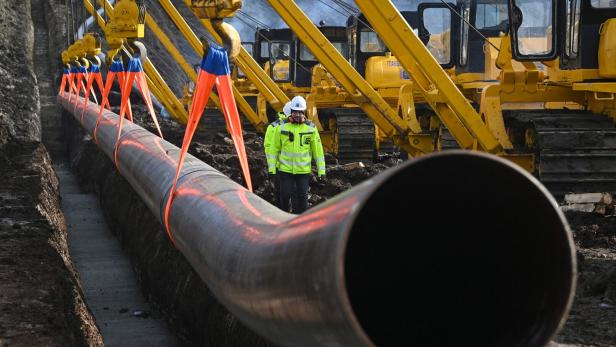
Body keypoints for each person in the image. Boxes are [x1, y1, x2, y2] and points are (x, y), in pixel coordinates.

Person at [266, 96, 326, 214]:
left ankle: (301, 219)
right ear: (291, 112)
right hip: (285, 170)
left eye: (300, 112)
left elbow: (318, 152)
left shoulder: (311, 128)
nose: (297, 115)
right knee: (285, 195)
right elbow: (273, 149)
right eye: (295, 112)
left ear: (303, 112)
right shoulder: (281, 127)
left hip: (303, 171)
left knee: (302, 196)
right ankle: (284, 214)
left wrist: (322, 171)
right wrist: (272, 169)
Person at [264, 101, 292, 207]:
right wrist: (272, 166)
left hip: (295, 166)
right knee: (281, 192)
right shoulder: (274, 127)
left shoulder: (300, 125)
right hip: (280, 166)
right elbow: (269, 148)